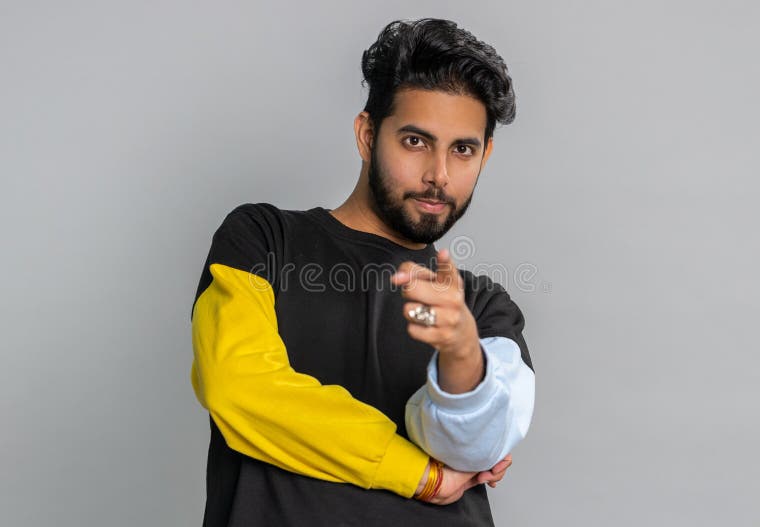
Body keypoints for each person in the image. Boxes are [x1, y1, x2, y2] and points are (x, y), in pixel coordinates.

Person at [190, 18, 535, 526]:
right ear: (367, 134)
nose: (439, 173)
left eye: (462, 149)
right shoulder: (262, 240)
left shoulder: (482, 306)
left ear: (484, 154)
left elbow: (480, 440)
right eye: (416, 141)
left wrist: (462, 355)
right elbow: (238, 387)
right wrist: (421, 475)